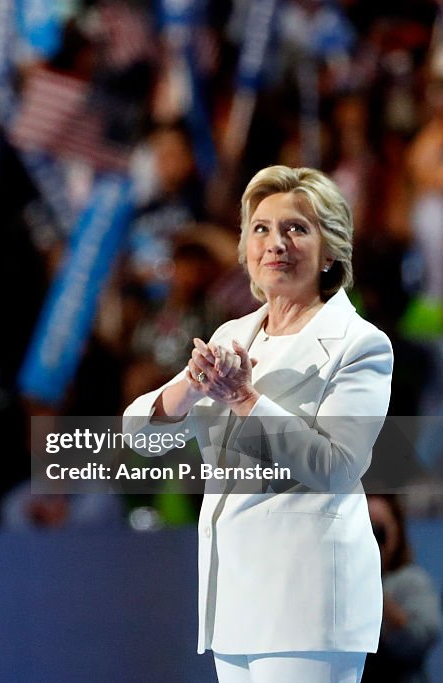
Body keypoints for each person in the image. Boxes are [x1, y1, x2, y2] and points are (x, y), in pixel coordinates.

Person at [123, 165, 394, 682]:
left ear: (331, 249)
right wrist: (190, 387)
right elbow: (140, 436)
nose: (276, 243)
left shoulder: (360, 345)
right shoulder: (234, 334)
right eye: (261, 229)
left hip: (307, 600)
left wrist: (245, 399)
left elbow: (337, 466)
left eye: (297, 228)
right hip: (234, 600)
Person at [363, 494, 442, 683]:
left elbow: (420, 640)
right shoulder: (335, 586)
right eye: (365, 526)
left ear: (397, 530)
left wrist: (372, 591)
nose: (373, 536)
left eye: (379, 528)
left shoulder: (411, 582)